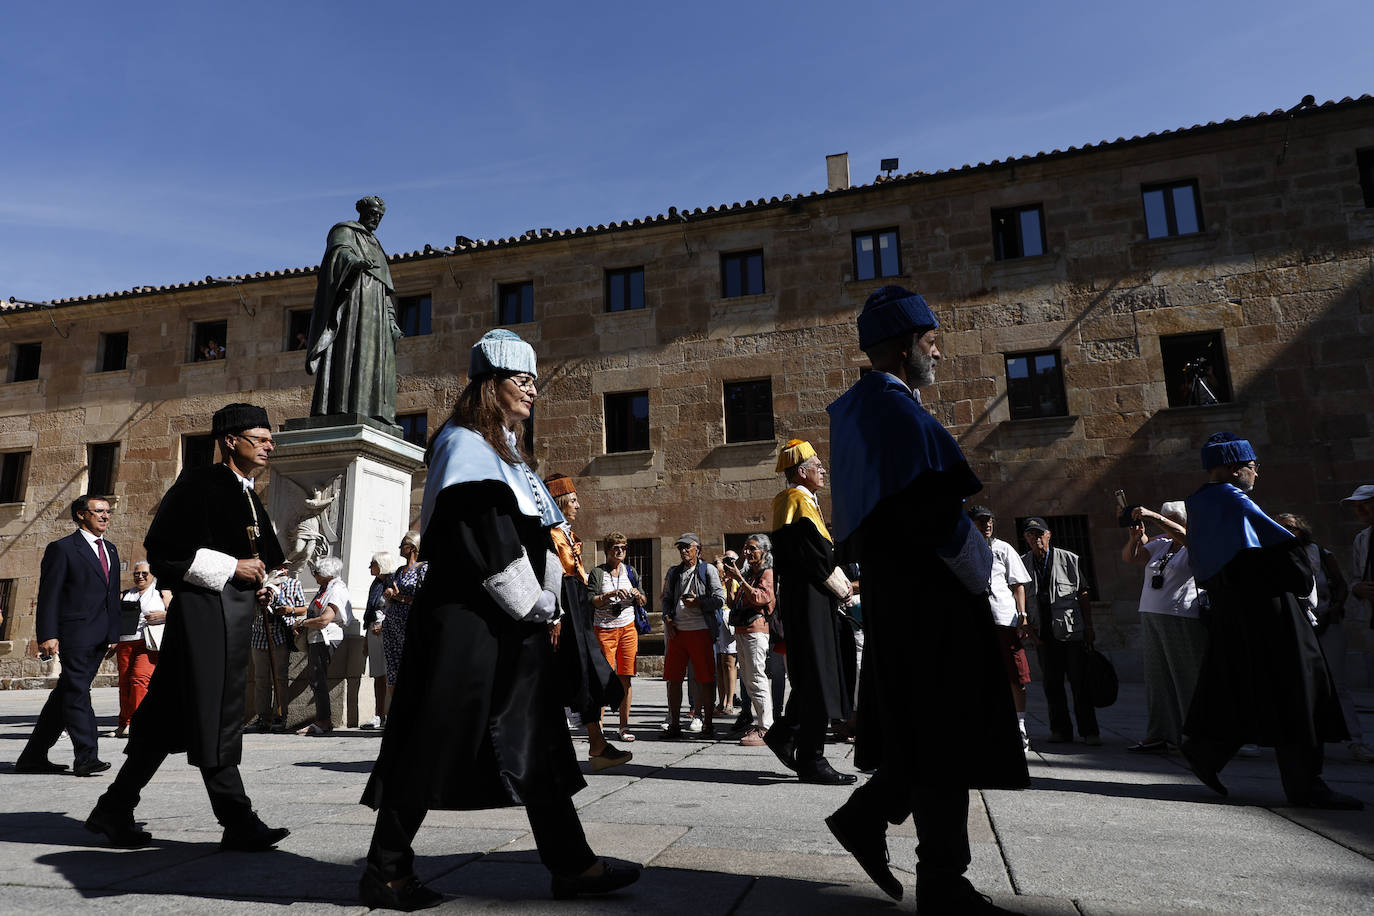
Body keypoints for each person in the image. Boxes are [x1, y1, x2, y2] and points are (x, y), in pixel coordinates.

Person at [359, 329, 640, 909]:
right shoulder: (465, 445)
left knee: (539, 743)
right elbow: (486, 539)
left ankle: (572, 863)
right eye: (522, 380)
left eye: (535, 381)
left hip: (510, 629)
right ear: (490, 385)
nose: (533, 391)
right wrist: (536, 602)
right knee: (431, 739)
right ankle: (386, 870)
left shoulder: (507, 454)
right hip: (468, 628)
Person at [824, 285, 1027, 913]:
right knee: (947, 728)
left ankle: (876, 822)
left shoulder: (857, 412)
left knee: (926, 731)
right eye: (931, 343)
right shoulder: (901, 414)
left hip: (894, 593)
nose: (938, 354)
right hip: (931, 599)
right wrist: (981, 572)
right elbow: (939, 515)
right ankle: (941, 878)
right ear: (905, 346)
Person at [87, 402, 291, 850]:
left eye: (270, 438)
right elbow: (164, 550)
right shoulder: (199, 482)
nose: (268, 446)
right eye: (259, 438)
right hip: (204, 618)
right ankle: (237, 819)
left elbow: (257, 557)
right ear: (229, 441)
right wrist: (232, 567)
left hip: (229, 615)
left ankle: (113, 808)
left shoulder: (248, 492)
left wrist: (257, 579)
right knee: (216, 712)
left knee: (164, 717)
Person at [1179, 432, 1360, 809]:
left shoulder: (1198, 504)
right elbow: (1294, 568)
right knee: (1301, 690)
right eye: (1253, 466)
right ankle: (1305, 784)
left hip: (1233, 613)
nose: (1256, 474)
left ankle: (1206, 751)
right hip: (1271, 614)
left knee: (1245, 687)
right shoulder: (1236, 502)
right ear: (1234, 468)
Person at [765, 440, 856, 785]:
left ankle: (787, 734)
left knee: (813, 676)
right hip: (807, 599)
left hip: (813, 599)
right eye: (818, 466)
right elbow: (811, 554)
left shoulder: (804, 501)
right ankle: (812, 759)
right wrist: (838, 584)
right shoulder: (795, 500)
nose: (823, 471)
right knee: (816, 675)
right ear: (801, 471)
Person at [15, 495, 122, 776]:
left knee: (66, 694)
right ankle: (87, 755)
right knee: (77, 692)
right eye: (98, 511)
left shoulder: (110, 549)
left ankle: (33, 756)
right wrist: (47, 634)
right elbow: (49, 595)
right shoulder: (62, 549)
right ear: (80, 515)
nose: (105, 516)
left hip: (101, 636)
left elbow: (111, 595)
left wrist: (114, 632)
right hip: (74, 633)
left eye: (108, 512)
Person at [544, 473, 630, 771]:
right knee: (569, 679)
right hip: (563, 612)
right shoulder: (549, 535)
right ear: (559, 503)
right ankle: (585, 746)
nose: (578, 505)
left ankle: (597, 743)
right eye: (573, 500)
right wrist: (554, 615)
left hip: (578, 613)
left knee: (588, 676)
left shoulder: (566, 534)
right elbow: (550, 576)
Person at [1274, 512, 1373, 764]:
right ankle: (1296, 740)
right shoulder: (1272, 553)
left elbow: (1339, 583)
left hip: (1326, 620)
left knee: (1337, 684)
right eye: (1281, 527)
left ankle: (1356, 740)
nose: (1286, 531)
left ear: (1301, 529)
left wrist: (1336, 607)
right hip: (1293, 624)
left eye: (1291, 527)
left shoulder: (1320, 553)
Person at [306, 195, 403, 426]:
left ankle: (376, 412)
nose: (376, 219)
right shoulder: (344, 230)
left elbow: (384, 289)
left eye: (380, 216)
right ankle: (342, 406)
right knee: (349, 353)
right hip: (352, 306)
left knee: (375, 359)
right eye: (372, 214)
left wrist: (391, 321)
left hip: (376, 313)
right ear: (362, 212)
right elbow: (338, 254)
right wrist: (354, 262)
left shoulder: (377, 245)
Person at [1120, 502, 1204, 754]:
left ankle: (1195, 735)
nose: (1163, 526)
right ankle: (1160, 733)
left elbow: (1186, 538)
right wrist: (1134, 538)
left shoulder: (1195, 543)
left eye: (1169, 520)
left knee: (1185, 677)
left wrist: (1155, 517)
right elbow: (1130, 558)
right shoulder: (1161, 545)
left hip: (1181, 616)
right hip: (1151, 614)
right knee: (1158, 678)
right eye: (1162, 520)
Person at [1020, 517, 1098, 745]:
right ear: (1026, 539)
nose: (1035, 538)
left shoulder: (1068, 559)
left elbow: (1083, 593)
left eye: (1039, 533)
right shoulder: (1023, 563)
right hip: (1042, 633)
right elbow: (1020, 596)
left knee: (1079, 682)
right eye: (1030, 535)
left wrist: (1089, 626)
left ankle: (1090, 731)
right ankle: (1060, 730)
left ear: (1049, 534)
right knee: (1051, 685)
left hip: (1071, 630)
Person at [968, 506, 1033, 754]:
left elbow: (1017, 584)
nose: (987, 524)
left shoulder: (1003, 548)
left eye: (990, 520)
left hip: (1004, 618)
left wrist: (1023, 615)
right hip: (976, 621)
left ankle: (1019, 726)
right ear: (971, 524)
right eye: (982, 521)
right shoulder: (965, 549)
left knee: (1017, 674)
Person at [660, 533, 726, 739]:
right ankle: (675, 724)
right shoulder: (674, 572)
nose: (683, 551)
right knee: (673, 678)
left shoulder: (709, 570)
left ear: (698, 549)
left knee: (705, 678)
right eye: (680, 547)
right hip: (677, 632)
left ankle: (707, 724)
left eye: (687, 547)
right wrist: (667, 619)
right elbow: (666, 599)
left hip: (701, 630)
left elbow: (719, 599)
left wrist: (698, 602)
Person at [586, 531, 646, 743]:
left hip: (628, 629)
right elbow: (590, 600)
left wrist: (638, 596)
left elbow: (643, 598)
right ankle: (599, 726)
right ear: (607, 550)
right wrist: (609, 595)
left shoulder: (630, 571)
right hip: (604, 630)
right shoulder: (597, 573)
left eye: (623, 548)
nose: (620, 551)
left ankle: (624, 726)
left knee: (626, 677)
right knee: (604, 678)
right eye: (616, 548)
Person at [723, 534, 776, 747]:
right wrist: (733, 582)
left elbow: (761, 598)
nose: (746, 552)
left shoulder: (767, 573)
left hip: (757, 630)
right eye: (745, 548)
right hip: (743, 630)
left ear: (764, 551)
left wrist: (739, 579)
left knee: (756, 677)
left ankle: (766, 727)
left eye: (752, 548)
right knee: (748, 678)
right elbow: (737, 600)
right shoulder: (751, 574)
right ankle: (762, 722)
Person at [111, 561, 171, 739]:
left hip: (148, 643)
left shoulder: (161, 592)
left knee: (139, 680)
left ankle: (139, 723)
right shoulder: (126, 594)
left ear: (152, 575)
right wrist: (111, 642)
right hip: (125, 643)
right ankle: (124, 724)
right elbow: (113, 618)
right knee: (124, 684)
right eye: (137, 573)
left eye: (144, 573)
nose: (140, 576)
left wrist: (163, 615)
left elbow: (179, 612)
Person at [297, 556, 354, 736]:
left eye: (317, 572)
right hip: (318, 638)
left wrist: (303, 623)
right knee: (316, 677)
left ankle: (323, 721)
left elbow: (325, 619)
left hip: (326, 637)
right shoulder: (325, 588)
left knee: (317, 678)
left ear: (328, 573)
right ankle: (323, 720)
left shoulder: (336, 590)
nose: (314, 575)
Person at [246, 568, 306, 734]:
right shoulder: (260, 584)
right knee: (260, 679)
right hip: (259, 635)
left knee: (280, 678)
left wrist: (288, 610)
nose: (283, 570)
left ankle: (280, 715)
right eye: (279, 567)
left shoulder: (294, 584)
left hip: (280, 635)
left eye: (286, 566)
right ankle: (262, 718)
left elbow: (303, 608)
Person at [382, 531, 426, 697]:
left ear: (412, 548)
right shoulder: (400, 570)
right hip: (392, 623)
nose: (400, 549)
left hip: (408, 624)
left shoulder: (422, 569)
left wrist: (398, 597)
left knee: (409, 664)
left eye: (403, 546)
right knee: (393, 668)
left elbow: (422, 599)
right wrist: (389, 594)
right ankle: (395, 712)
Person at [362, 551, 400, 730]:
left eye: (373, 563)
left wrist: (384, 625)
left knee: (392, 673)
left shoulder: (394, 581)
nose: (370, 567)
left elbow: (397, 608)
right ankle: (379, 714)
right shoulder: (375, 584)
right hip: (373, 631)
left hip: (389, 630)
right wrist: (365, 639)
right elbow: (370, 610)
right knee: (378, 674)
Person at [712, 550, 740, 717]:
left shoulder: (732, 582)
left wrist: (729, 586)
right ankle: (721, 701)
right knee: (720, 664)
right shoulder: (714, 583)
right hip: (716, 622)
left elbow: (733, 601)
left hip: (728, 621)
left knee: (730, 663)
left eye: (718, 566)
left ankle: (730, 701)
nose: (716, 569)